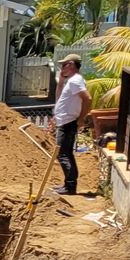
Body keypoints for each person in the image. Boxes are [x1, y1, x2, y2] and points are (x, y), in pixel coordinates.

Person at [52, 54, 90, 196]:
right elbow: (59, 97)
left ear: (71, 65)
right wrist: (61, 82)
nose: (62, 68)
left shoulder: (76, 81)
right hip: (64, 121)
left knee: (62, 154)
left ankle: (70, 187)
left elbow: (87, 98)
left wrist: (81, 119)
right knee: (65, 153)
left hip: (68, 122)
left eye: (64, 65)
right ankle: (68, 185)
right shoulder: (72, 81)